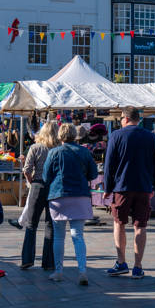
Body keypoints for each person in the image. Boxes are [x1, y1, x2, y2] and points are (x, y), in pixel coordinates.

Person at [103, 106, 155, 279]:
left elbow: (109, 164)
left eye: (121, 118)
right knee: (140, 225)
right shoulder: (150, 137)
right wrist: (153, 187)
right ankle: (137, 266)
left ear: (126, 118)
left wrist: (107, 188)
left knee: (119, 223)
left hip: (122, 186)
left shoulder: (116, 135)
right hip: (143, 186)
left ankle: (121, 262)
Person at [42, 123, 98, 285]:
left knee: (59, 237)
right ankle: (82, 271)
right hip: (80, 196)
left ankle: (58, 271)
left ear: (60, 136)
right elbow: (93, 174)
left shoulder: (53, 152)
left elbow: (46, 177)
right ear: (75, 135)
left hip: (58, 196)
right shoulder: (85, 152)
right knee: (78, 235)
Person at [18, 121, 57, 271]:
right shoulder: (58, 149)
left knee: (31, 223)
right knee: (50, 224)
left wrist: (31, 181)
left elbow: (27, 169)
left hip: (38, 185)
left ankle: (27, 259)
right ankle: (48, 262)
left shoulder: (35, 148)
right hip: (53, 186)